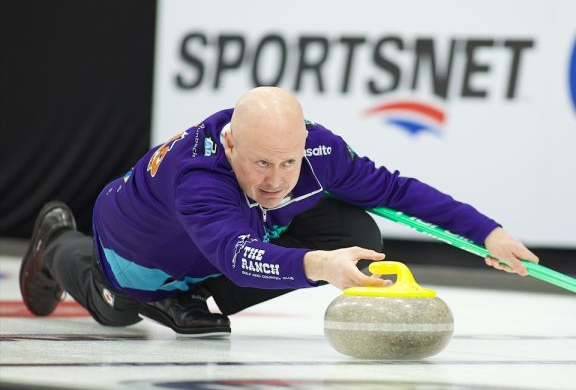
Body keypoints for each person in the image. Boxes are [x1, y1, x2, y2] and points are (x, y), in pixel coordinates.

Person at [20, 87, 539, 336]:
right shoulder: (198, 176)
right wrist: (320, 266)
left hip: (217, 250)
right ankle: (57, 242)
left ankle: (194, 300)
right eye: (261, 163)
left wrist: (488, 232)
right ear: (230, 144)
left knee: (355, 230)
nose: (276, 179)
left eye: (288, 161)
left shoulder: (320, 152)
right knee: (117, 311)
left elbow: (397, 192)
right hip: (136, 253)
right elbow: (237, 257)